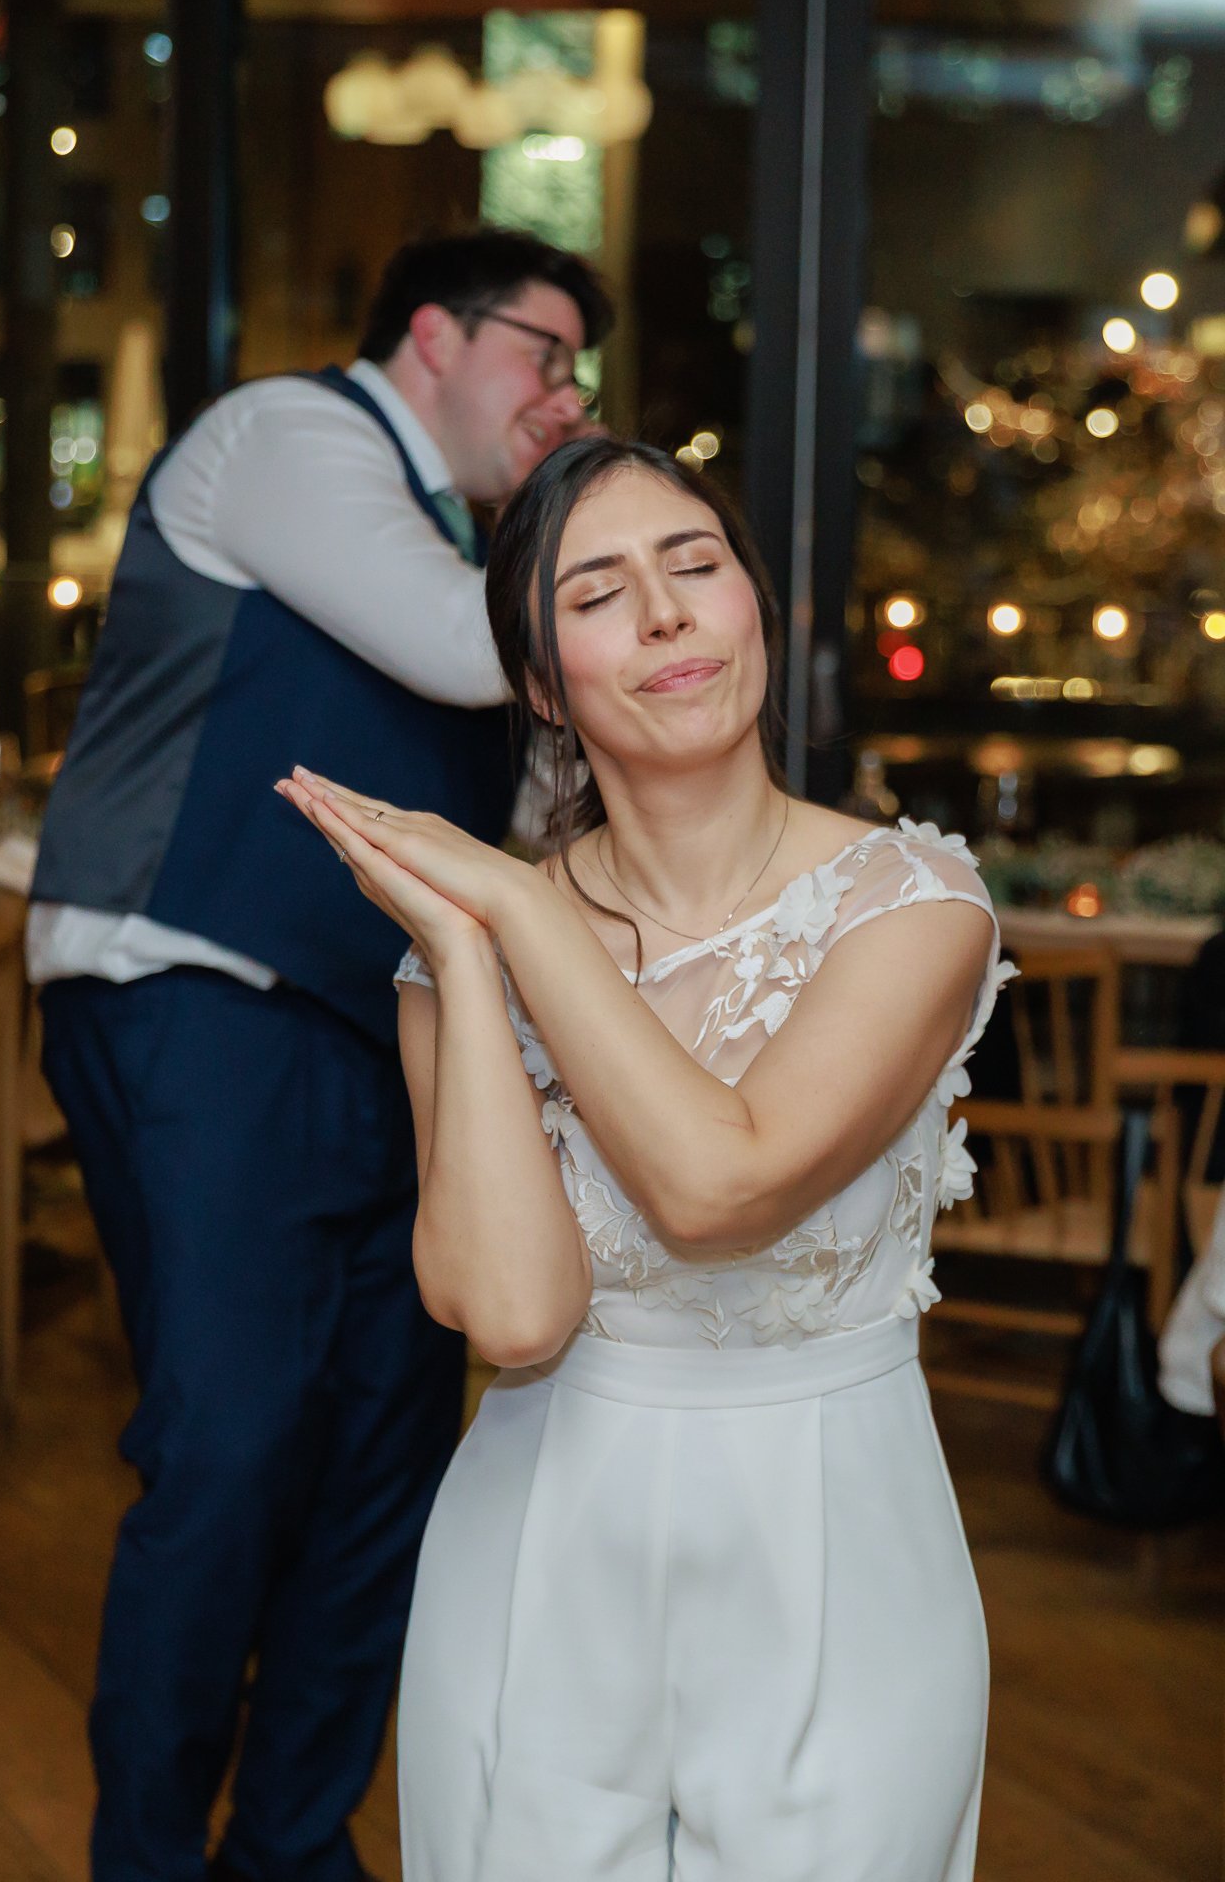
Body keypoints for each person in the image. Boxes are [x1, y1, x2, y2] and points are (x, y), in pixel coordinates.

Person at [278, 434, 1016, 1882]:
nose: (669, 616)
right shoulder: (460, 955)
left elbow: (720, 1187)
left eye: (696, 567)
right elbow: (514, 1317)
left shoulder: (912, 901)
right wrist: (465, 951)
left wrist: (516, 908)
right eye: (603, 593)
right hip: (543, 1542)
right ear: (544, 686)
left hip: (838, 1545)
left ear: (757, 610)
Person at [26, 229, 612, 1882]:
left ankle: (293, 1847)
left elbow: (521, 798)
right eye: (544, 355)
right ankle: (147, 1854)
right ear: (431, 331)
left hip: (389, 1032)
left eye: (578, 374)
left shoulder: (471, 543)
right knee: (232, 1443)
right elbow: (451, 645)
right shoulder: (291, 436)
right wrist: (609, 561)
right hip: (195, 987)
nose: (561, 395)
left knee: (386, 1453)